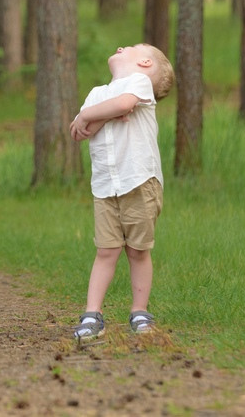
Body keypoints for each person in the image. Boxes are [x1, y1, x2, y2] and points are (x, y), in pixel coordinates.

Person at [68, 42, 174, 343]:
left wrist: (90, 115)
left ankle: (139, 311)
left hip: (139, 181)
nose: (120, 46)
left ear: (145, 64)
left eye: (133, 47)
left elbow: (123, 105)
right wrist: (97, 116)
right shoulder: (97, 94)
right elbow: (79, 131)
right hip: (105, 186)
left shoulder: (139, 84)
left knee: (138, 250)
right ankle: (92, 314)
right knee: (106, 250)